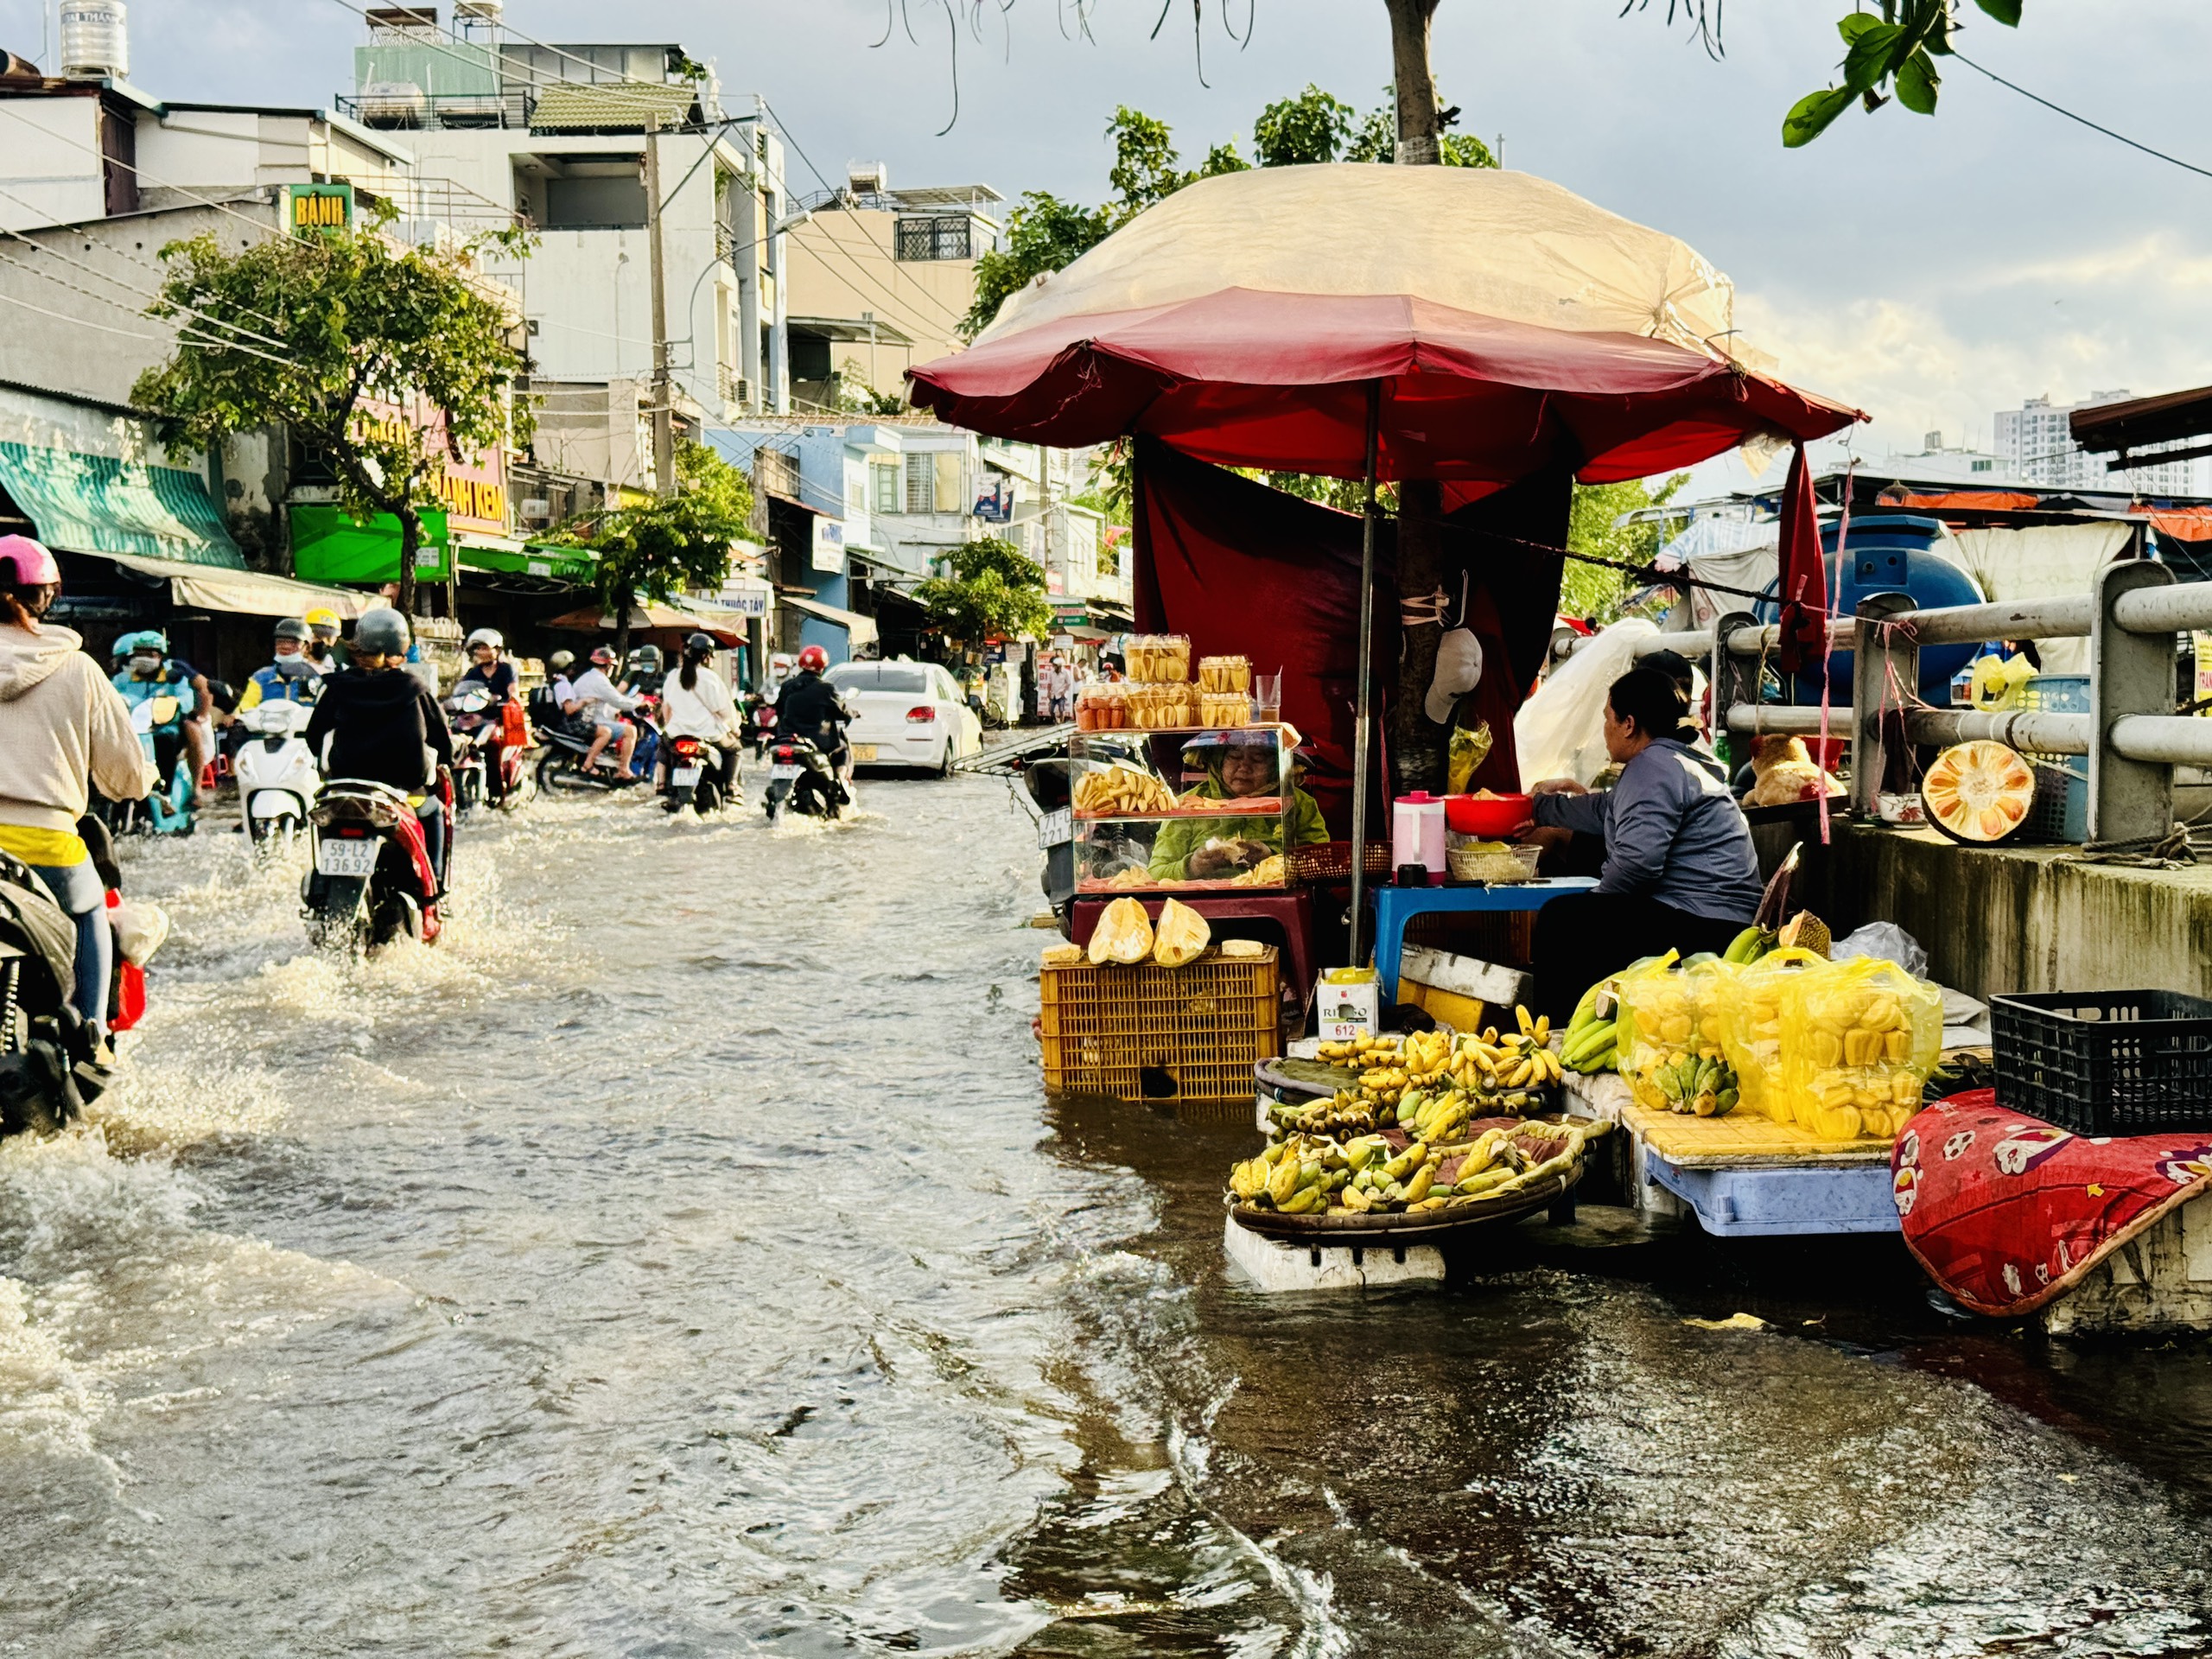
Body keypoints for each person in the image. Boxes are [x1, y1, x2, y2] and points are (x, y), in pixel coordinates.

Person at [1520, 668, 1764, 1021]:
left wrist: (1596, 900)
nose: (1605, 729)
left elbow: (1638, 865)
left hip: (1708, 926)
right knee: (1580, 913)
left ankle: (1557, 1037)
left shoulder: (1653, 767)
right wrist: (1536, 807)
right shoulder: (1672, 759)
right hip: (1715, 917)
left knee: (1564, 920)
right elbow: (1604, 809)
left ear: (1628, 724)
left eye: (1608, 719)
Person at [0, 537, 155, 1031]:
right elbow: (127, 774)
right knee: (92, 914)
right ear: (47, 596)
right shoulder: (79, 669)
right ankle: (91, 1030)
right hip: (48, 842)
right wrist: (141, 782)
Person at [303, 608, 454, 888]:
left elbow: (314, 736)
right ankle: (434, 891)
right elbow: (441, 743)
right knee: (435, 811)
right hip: (405, 793)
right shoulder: (416, 688)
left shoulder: (335, 687)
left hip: (344, 790)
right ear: (402, 647)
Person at [1147, 729, 1328, 882]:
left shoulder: (1299, 804)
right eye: (1234, 756)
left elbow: (1322, 864)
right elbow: (1155, 873)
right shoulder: (1186, 805)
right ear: (1218, 762)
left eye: (1257, 759)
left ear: (1275, 766)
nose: (1244, 767)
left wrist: (1271, 857)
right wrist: (1191, 867)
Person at [110, 629, 213, 807]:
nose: (144, 657)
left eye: (150, 654)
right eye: (139, 653)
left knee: (188, 732)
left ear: (160, 656)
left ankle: (194, 790)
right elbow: (109, 696)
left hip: (165, 729)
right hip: (132, 731)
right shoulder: (122, 679)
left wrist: (177, 704)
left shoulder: (175, 676)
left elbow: (187, 698)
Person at [659, 632, 743, 800]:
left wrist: (670, 728)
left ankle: (661, 784)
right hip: (708, 734)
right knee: (735, 749)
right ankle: (732, 787)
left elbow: (666, 708)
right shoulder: (711, 678)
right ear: (706, 656)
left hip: (678, 732)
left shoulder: (673, 676)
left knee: (664, 747)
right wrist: (735, 729)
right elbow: (725, 710)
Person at [454, 628, 519, 804]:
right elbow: (462, 691)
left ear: (497, 650)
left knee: (493, 749)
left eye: (484, 648)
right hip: (475, 718)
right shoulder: (473, 673)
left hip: (497, 719)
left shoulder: (506, 670)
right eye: (478, 648)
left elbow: (513, 691)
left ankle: (497, 792)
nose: (480, 652)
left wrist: (509, 698)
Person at [772, 643, 852, 767]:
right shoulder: (826, 689)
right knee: (842, 748)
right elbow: (841, 711)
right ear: (823, 666)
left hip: (786, 738)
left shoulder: (787, 686)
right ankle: (842, 781)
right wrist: (850, 715)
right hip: (817, 741)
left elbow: (779, 710)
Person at [569, 645, 641, 782]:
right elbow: (618, 700)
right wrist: (639, 704)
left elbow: (605, 702)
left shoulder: (585, 678)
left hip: (583, 718)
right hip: (591, 721)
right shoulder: (600, 681)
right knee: (630, 731)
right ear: (608, 666)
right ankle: (623, 770)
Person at [236, 618, 323, 713]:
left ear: (306, 647)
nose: (285, 646)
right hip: (265, 727)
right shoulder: (260, 678)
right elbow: (245, 707)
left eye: (293, 643)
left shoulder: (317, 679)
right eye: (280, 641)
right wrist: (235, 716)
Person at [302, 607, 347, 676]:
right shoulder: (290, 669)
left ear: (335, 640)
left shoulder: (343, 671)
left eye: (328, 638)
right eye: (317, 636)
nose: (323, 642)